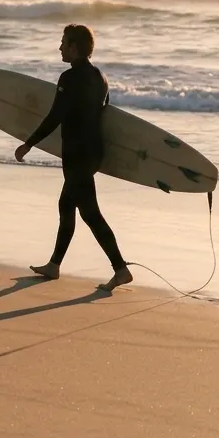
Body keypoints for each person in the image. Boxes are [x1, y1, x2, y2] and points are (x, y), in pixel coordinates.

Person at [14, 23, 133, 292]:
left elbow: (55, 116)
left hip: (77, 153)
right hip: (93, 153)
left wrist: (28, 144)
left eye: (63, 42)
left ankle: (120, 268)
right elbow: (104, 116)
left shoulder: (69, 79)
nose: (60, 47)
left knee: (90, 213)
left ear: (74, 47)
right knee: (66, 205)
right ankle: (54, 265)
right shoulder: (101, 78)